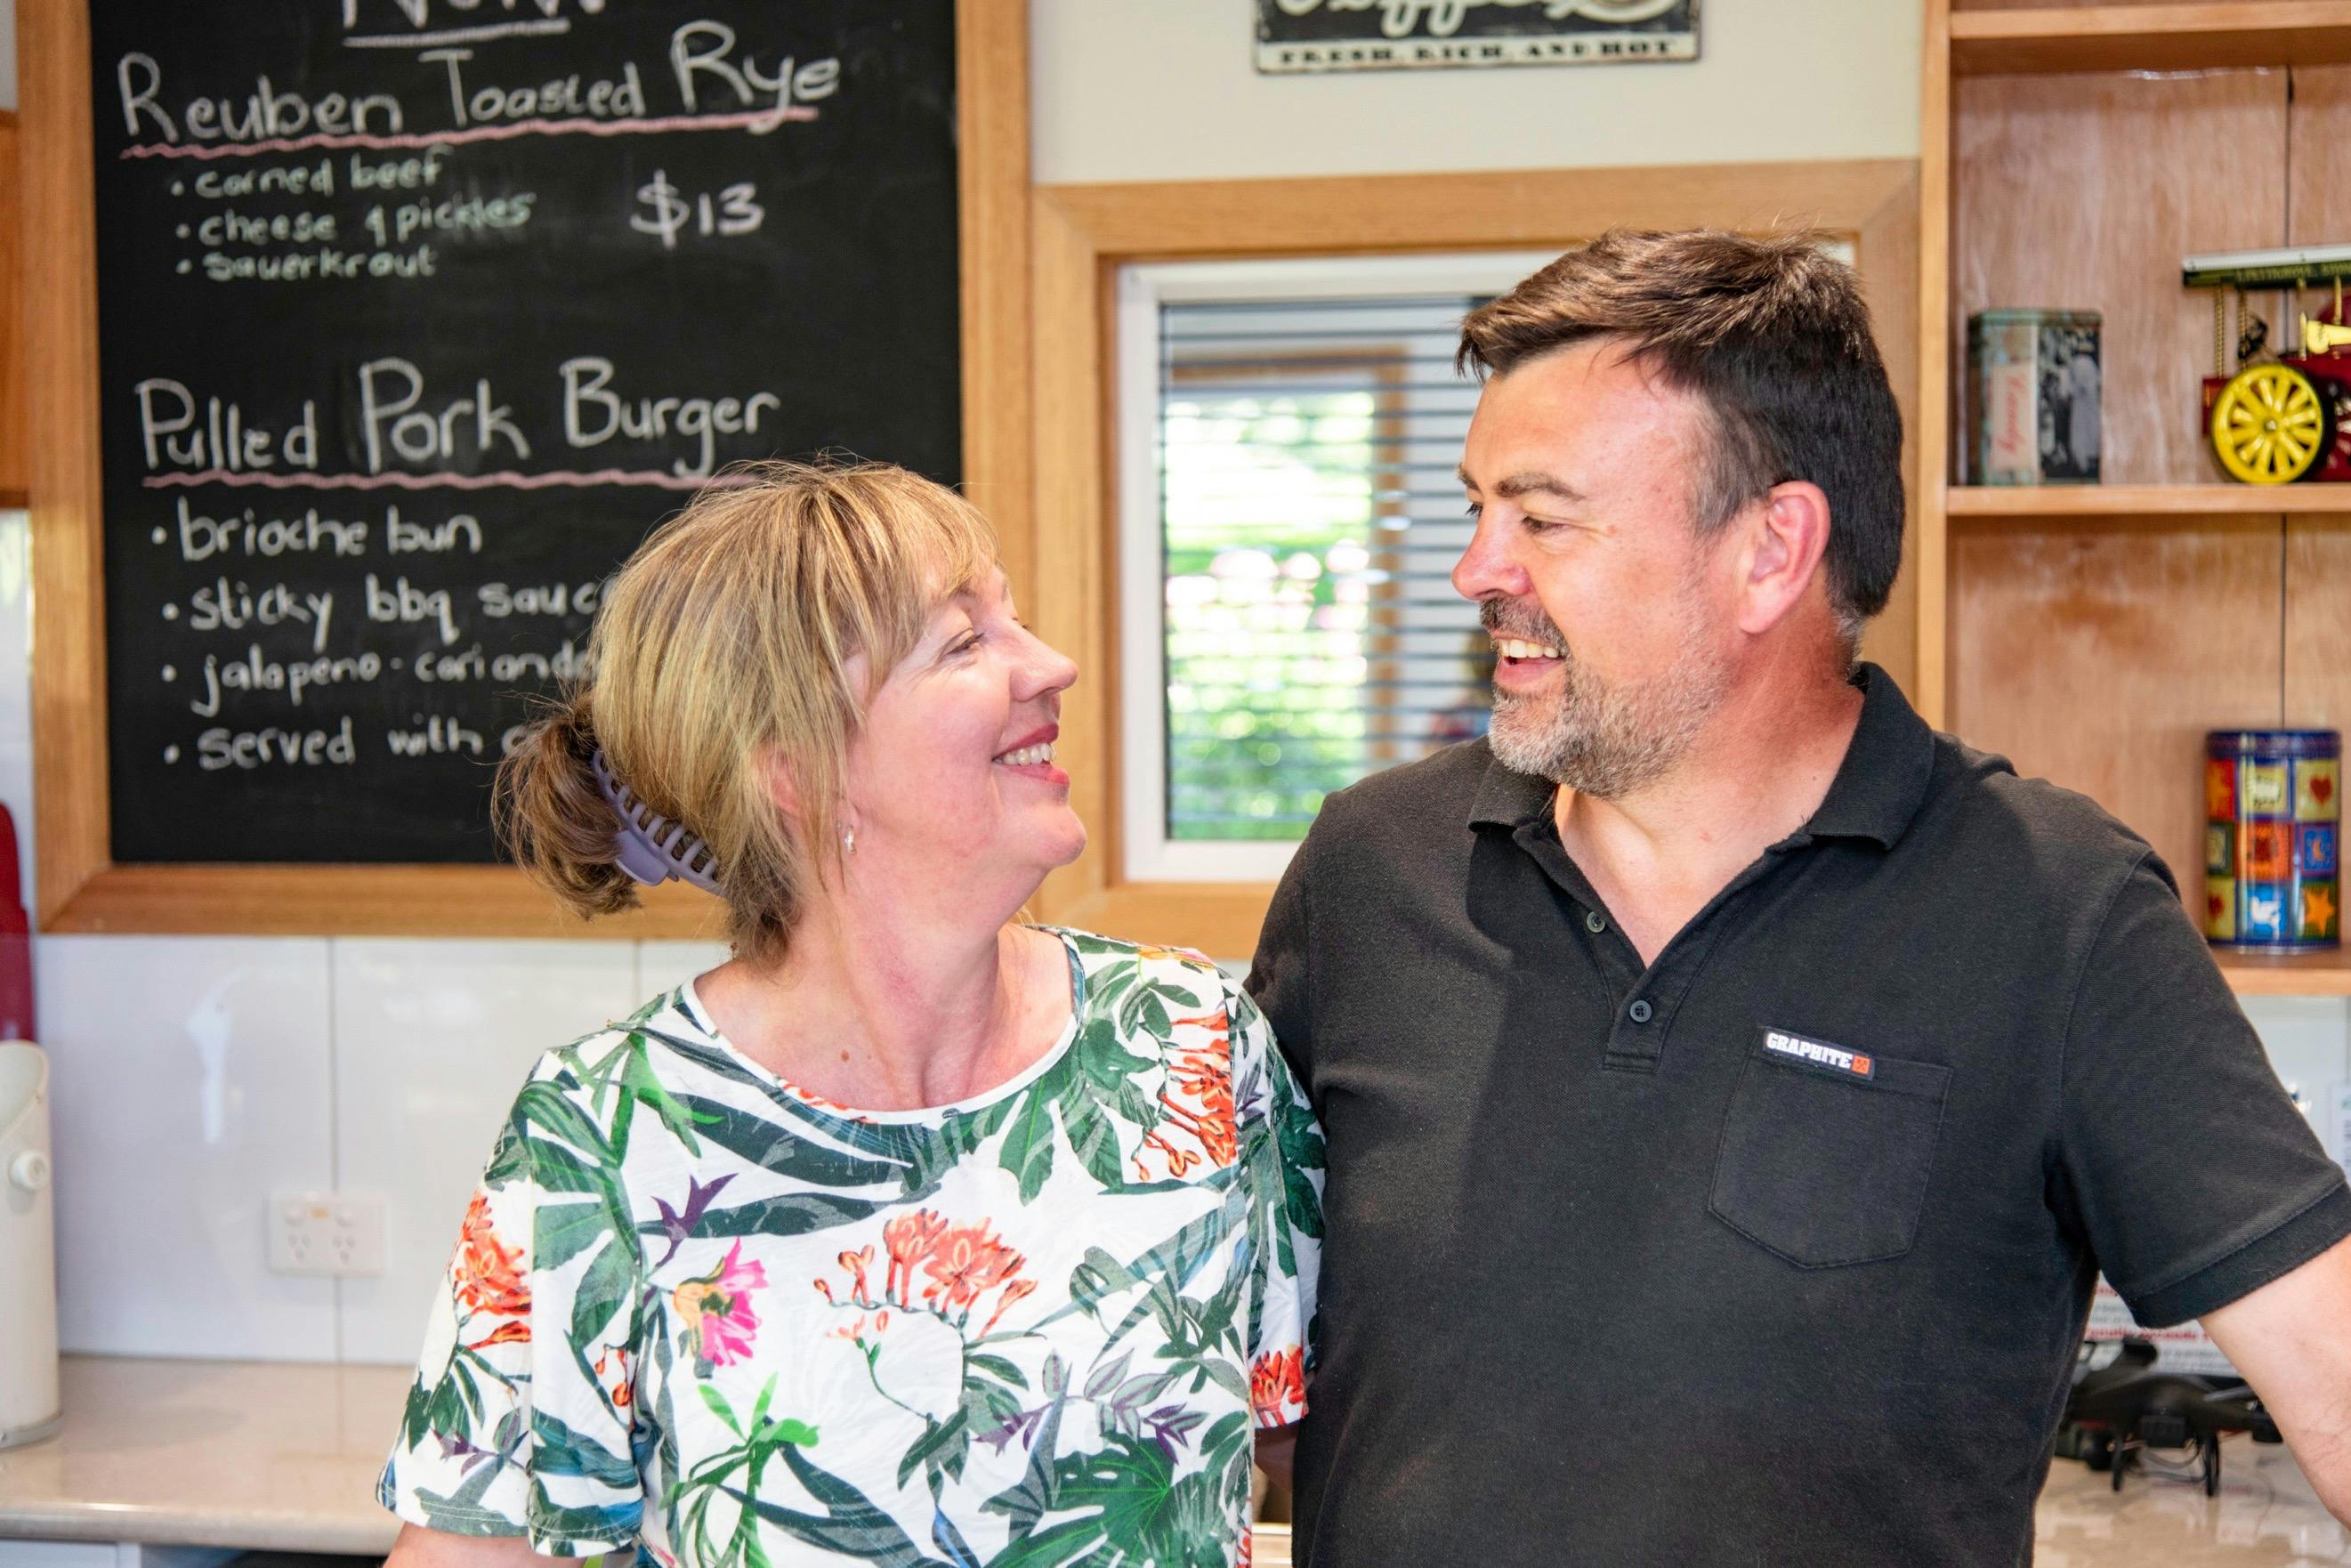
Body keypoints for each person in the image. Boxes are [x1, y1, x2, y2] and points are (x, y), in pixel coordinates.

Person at [1246, 230, 2351, 1566]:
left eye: (1540, 516)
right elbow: (1240, 1366)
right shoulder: (1367, 872)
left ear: (1771, 551)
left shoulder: (2058, 914)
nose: (1479, 567)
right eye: (1477, 506)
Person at [379, 462, 1322, 1568]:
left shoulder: (1185, 1042)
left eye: (1011, 619)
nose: (1052, 665)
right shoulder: (606, 1131)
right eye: (964, 642)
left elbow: (1334, 1468)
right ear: (796, 769)